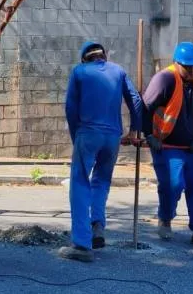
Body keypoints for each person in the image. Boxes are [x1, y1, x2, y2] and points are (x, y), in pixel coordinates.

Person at [59, 41, 144, 263]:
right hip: (112, 137)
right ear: (103, 56)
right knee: (101, 181)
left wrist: (76, 137)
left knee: (80, 183)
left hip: (87, 133)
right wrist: (134, 130)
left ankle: (81, 244)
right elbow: (136, 100)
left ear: (84, 59)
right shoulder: (118, 71)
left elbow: (70, 108)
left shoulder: (79, 72)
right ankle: (97, 226)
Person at [142, 41, 193, 250]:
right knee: (172, 185)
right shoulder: (164, 79)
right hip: (167, 145)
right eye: (187, 67)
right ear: (177, 63)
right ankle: (165, 218)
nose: (192, 71)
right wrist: (149, 135)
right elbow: (145, 108)